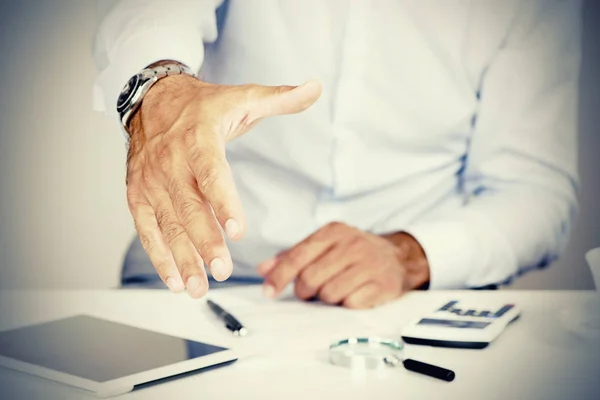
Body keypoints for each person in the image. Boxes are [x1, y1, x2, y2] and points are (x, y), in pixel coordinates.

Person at [93, 0, 582, 308]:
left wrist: (409, 254)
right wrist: (159, 88)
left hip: (407, 300)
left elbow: (533, 189)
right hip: (195, 284)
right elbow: (149, 11)